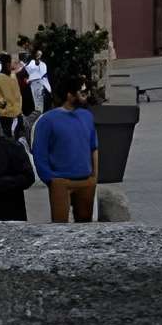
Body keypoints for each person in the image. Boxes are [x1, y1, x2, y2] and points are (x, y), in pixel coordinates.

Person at [31, 76, 99, 222]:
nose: (86, 96)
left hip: (85, 179)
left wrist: (94, 176)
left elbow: (93, 147)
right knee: (60, 227)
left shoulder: (87, 116)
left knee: (85, 226)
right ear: (70, 95)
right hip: (60, 180)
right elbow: (39, 152)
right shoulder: (47, 120)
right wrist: (50, 179)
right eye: (82, 93)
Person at [0, 54, 23, 140]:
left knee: (18, 136)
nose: (10, 65)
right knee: (7, 137)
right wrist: (3, 104)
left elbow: (17, 91)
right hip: (5, 114)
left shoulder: (13, 76)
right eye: (8, 63)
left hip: (17, 112)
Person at [25, 48, 50, 118]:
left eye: (40, 55)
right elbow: (28, 69)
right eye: (37, 55)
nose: (38, 56)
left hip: (40, 85)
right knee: (35, 103)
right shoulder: (31, 63)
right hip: (33, 85)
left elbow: (42, 74)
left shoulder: (43, 64)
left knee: (40, 104)